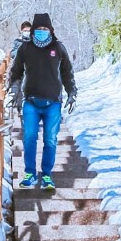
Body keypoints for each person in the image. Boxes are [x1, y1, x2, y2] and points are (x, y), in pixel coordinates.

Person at [7, 12, 76, 189]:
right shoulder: (25, 49)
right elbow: (16, 72)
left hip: (53, 102)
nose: (42, 31)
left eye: (45, 28)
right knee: (29, 138)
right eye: (39, 29)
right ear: (33, 30)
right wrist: (14, 89)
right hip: (31, 102)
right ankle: (30, 173)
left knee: (50, 140)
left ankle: (46, 175)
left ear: (51, 30)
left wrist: (72, 92)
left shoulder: (58, 48)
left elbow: (68, 72)